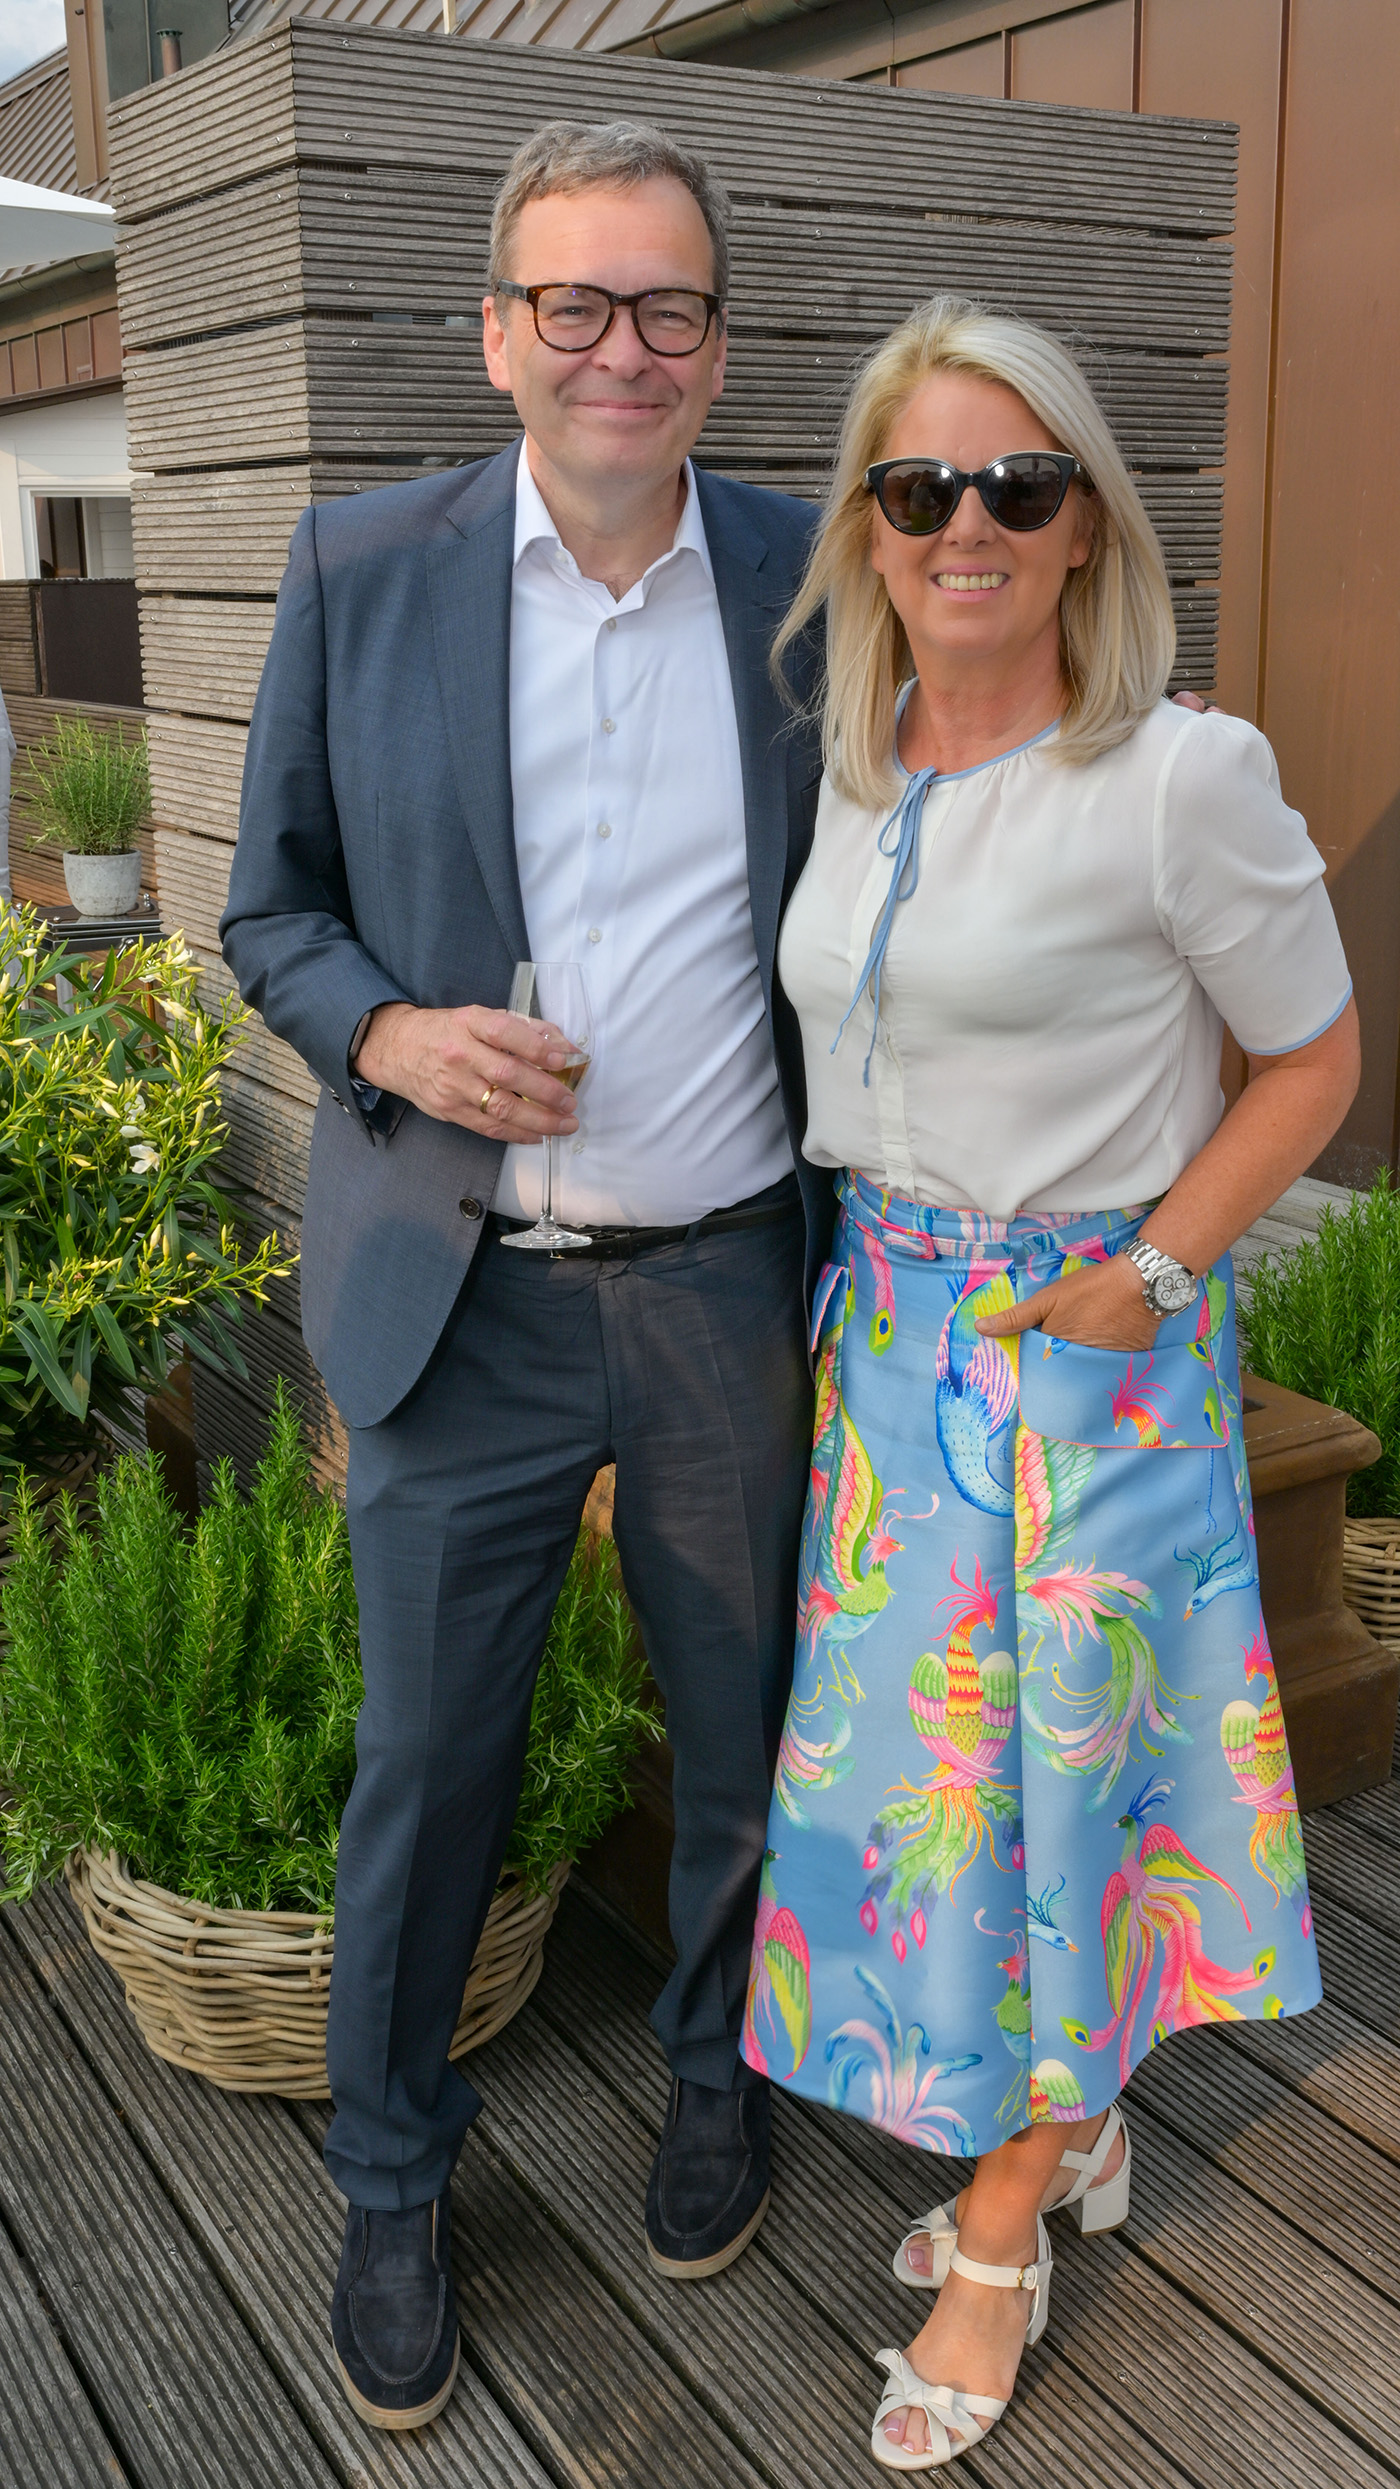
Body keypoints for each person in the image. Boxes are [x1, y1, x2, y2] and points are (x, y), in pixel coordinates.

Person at [221, 119, 831, 2430]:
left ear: (716, 346)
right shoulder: (360, 565)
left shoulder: (808, 579)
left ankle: (715, 2074)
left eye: (666, 305)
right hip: (457, 1298)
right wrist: (383, 1031)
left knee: (742, 1732)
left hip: (720, 1287)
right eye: (573, 302)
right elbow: (270, 906)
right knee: (428, 1766)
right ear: (498, 335)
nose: (620, 347)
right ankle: (393, 2176)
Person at [742, 296, 1358, 2471]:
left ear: (1088, 522)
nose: (968, 524)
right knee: (942, 1802)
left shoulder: (1179, 776)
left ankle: (1003, 2223)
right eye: (921, 486)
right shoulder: (856, 760)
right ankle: (1069, 2120)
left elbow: (1313, 1060)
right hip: (891, 1362)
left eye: (1020, 482)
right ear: (869, 525)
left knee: (1070, 1805)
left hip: (1087, 1360)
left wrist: (1154, 1272)